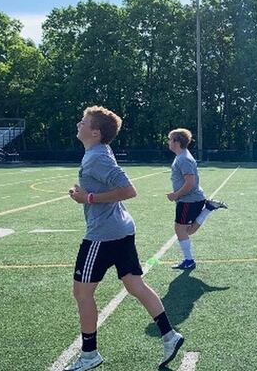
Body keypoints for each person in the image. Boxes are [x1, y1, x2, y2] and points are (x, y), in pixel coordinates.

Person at [66, 106, 183, 370]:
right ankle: (169, 334)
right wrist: (85, 193)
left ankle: (89, 355)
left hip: (103, 235)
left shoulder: (96, 157)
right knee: (134, 285)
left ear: (95, 132)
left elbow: (129, 190)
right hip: (121, 229)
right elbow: (107, 185)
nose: (78, 124)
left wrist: (88, 198)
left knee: (82, 293)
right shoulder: (98, 152)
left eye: (83, 122)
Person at [167, 128, 227, 270]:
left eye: (170, 139)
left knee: (182, 230)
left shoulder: (184, 159)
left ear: (176, 142)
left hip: (189, 200)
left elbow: (190, 183)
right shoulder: (181, 156)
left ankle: (189, 260)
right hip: (189, 200)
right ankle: (208, 209)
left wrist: (176, 195)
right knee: (185, 230)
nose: (168, 142)